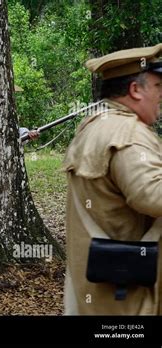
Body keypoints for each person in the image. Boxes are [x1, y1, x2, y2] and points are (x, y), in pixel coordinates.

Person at [63, 44, 162, 315]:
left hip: (99, 286)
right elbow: (151, 196)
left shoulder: (93, 125)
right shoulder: (127, 133)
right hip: (129, 294)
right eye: (157, 86)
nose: (161, 95)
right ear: (135, 90)